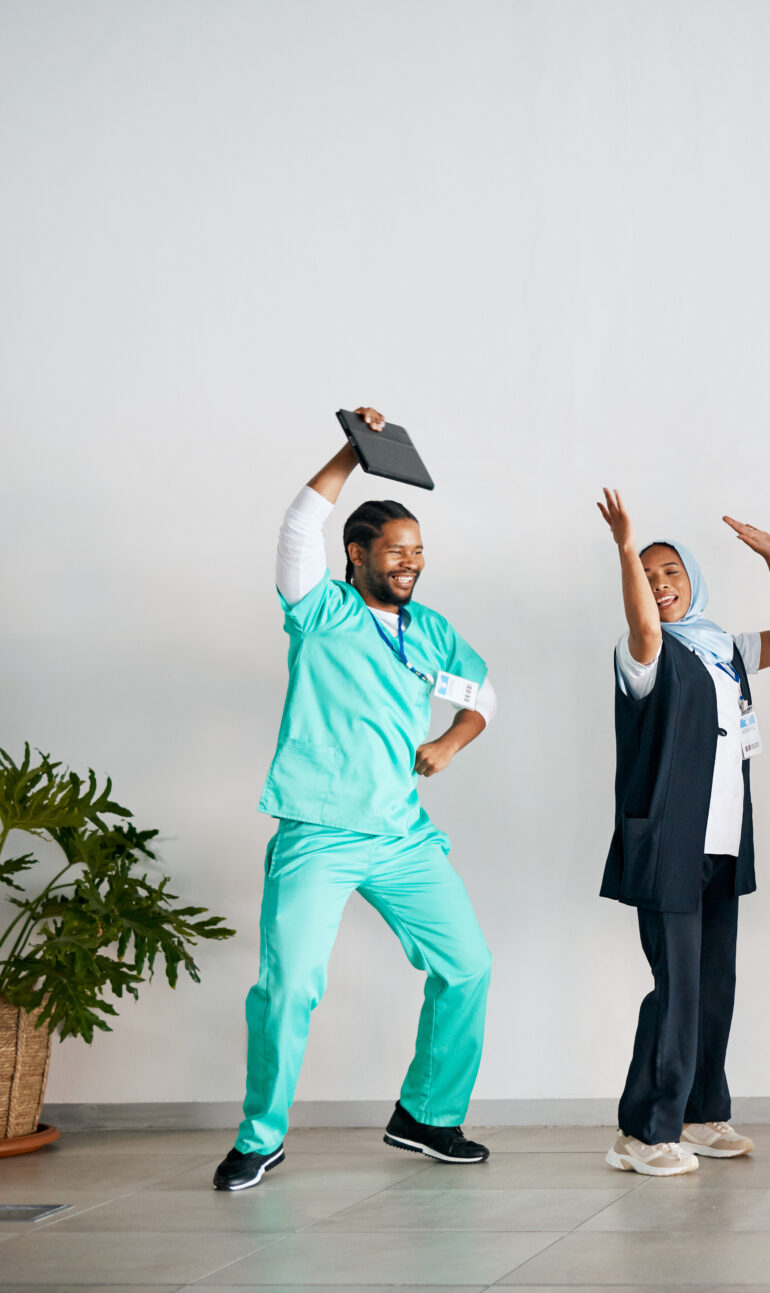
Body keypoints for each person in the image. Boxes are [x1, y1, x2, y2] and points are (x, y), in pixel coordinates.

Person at [216, 408, 498, 1192]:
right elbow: (299, 522)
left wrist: (449, 740)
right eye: (395, 550)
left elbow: (485, 696)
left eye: (418, 552)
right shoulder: (320, 611)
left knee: (467, 965)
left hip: (403, 835)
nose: (410, 563)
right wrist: (355, 450)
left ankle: (427, 1116)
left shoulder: (430, 628)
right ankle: (261, 1135)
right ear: (357, 554)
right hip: (320, 830)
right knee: (290, 984)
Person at [595, 492, 770, 1177]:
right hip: (667, 841)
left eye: (670, 572)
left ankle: (700, 1111)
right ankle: (642, 1129)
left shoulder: (723, 646)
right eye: (649, 575)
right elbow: (643, 621)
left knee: (715, 982)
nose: (660, 583)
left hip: (722, 840)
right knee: (677, 987)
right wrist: (626, 547)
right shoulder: (645, 651)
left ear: (692, 577)